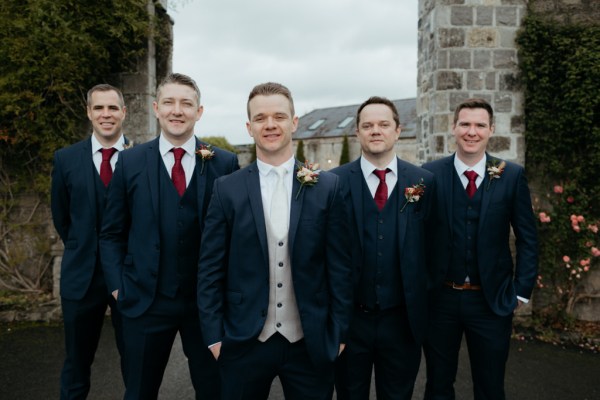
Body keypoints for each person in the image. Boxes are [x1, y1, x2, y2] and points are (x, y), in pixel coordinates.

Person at [197, 82, 353, 400]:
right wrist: (215, 337)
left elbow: (341, 268)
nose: (270, 124)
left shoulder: (328, 187)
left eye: (279, 116)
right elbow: (209, 269)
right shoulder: (227, 189)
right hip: (243, 343)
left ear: (294, 122)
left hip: (309, 343)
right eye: (261, 118)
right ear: (249, 127)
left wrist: (338, 333)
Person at [99, 73, 239, 400]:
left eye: (186, 103)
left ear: (199, 111)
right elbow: (111, 233)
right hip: (145, 301)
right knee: (139, 391)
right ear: (156, 108)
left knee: (215, 389)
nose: (177, 110)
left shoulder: (224, 162)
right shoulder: (130, 161)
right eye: (169, 102)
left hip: (205, 304)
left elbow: (236, 235)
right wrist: (118, 286)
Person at [422, 98, 538, 400]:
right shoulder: (429, 175)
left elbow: (528, 236)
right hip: (440, 300)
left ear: (491, 130)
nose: (471, 132)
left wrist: (521, 290)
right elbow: (413, 236)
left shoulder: (510, 175)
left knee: (490, 386)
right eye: (465, 124)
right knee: (437, 384)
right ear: (454, 127)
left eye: (479, 125)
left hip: (491, 300)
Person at [330, 96, 435, 400]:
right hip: (351, 322)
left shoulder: (423, 181)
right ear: (358, 133)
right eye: (368, 125)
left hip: (401, 322)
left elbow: (435, 249)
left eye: (383, 124)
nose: (376, 130)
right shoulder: (333, 183)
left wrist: (419, 298)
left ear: (398, 130)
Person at [51, 83, 129, 399]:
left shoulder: (141, 159)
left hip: (128, 277)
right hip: (80, 277)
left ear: (124, 112)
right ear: (89, 112)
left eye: (112, 108)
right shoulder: (66, 159)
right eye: (99, 108)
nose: (106, 114)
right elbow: (62, 217)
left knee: (136, 361)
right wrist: (84, 247)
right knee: (76, 363)